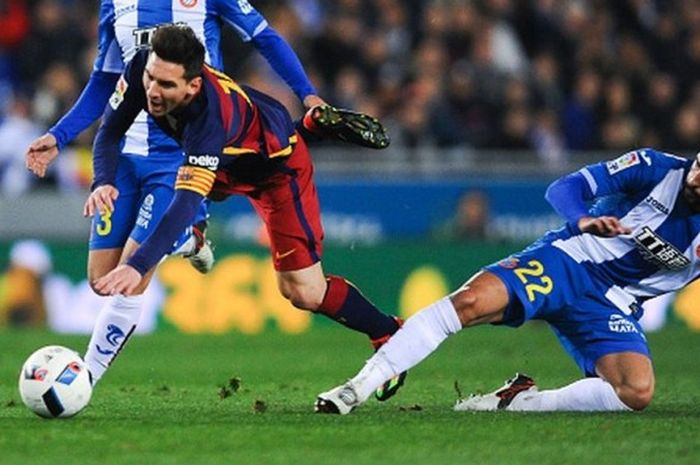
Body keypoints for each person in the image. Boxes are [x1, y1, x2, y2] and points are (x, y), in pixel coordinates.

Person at [22, 2, 372, 386]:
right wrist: (60, 135)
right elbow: (104, 83)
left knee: (133, 271)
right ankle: (188, 236)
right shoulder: (115, 5)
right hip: (125, 158)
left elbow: (264, 36)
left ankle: (84, 381)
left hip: (181, 153)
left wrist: (308, 94)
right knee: (100, 279)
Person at [89, 24, 403, 400]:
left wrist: (136, 266)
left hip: (277, 170)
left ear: (192, 86)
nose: (153, 91)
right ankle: (192, 234)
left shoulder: (208, 118)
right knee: (189, 180)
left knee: (303, 292)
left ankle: (388, 332)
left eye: (166, 86)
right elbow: (109, 132)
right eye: (151, 79)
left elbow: (188, 198)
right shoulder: (145, 67)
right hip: (230, 157)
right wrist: (103, 181)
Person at [315, 147, 700, 414]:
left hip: (613, 304)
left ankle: (521, 401)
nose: (696, 178)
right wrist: (582, 219)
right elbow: (564, 188)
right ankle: (357, 387)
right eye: (699, 167)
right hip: (569, 260)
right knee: (467, 304)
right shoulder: (657, 167)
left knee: (635, 392)